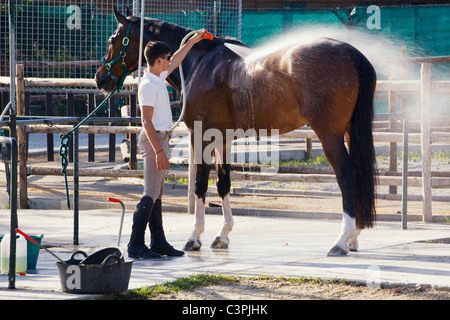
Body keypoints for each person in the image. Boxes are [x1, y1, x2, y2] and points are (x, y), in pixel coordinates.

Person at [128, 30, 208, 259]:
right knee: (150, 192)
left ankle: (158, 242)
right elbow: (146, 121)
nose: (170, 61)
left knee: (157, 194)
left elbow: (178, 58)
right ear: (159, 60)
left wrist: (192, 41)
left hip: (162, 138)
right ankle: (135, 244)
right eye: (167, 58)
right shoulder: (148, 85)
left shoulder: (158, 77)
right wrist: (159, 151)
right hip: (154, 141)